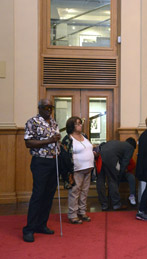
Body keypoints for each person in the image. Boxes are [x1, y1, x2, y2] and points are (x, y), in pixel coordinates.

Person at [23, 99, 61, 242]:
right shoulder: (32, 122)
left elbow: (55, 139)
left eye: (51, 107)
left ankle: (41, 224)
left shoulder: (53, 122)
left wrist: (57, 140)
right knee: (38, 194)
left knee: (49, 195)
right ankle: (29, 229)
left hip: (54, 161)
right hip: (40, 162)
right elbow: (28, 143)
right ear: (39, 108)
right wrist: (50, 140)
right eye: (46, 107)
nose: (49, 110)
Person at [61, 116, 95, 224]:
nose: (80, 125)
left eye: (80, 123)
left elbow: (88, 148)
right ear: (71, 126)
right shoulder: (67, 139)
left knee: (84, 192)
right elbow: (65, 156)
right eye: (77, 123)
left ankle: (82, 212)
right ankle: (72, 215)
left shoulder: (84, 136)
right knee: (74, 193)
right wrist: (68, 172)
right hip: (76, 170)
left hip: (88, 169)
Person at [97, 137, 136, 211]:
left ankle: (104, 205)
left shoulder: (118, 143)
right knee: (113, 180)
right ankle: (116, 204)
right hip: (110, 158)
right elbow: (125, 163)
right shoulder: (130, 148)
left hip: (100, 155)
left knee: (100, 181)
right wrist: (119, 175)